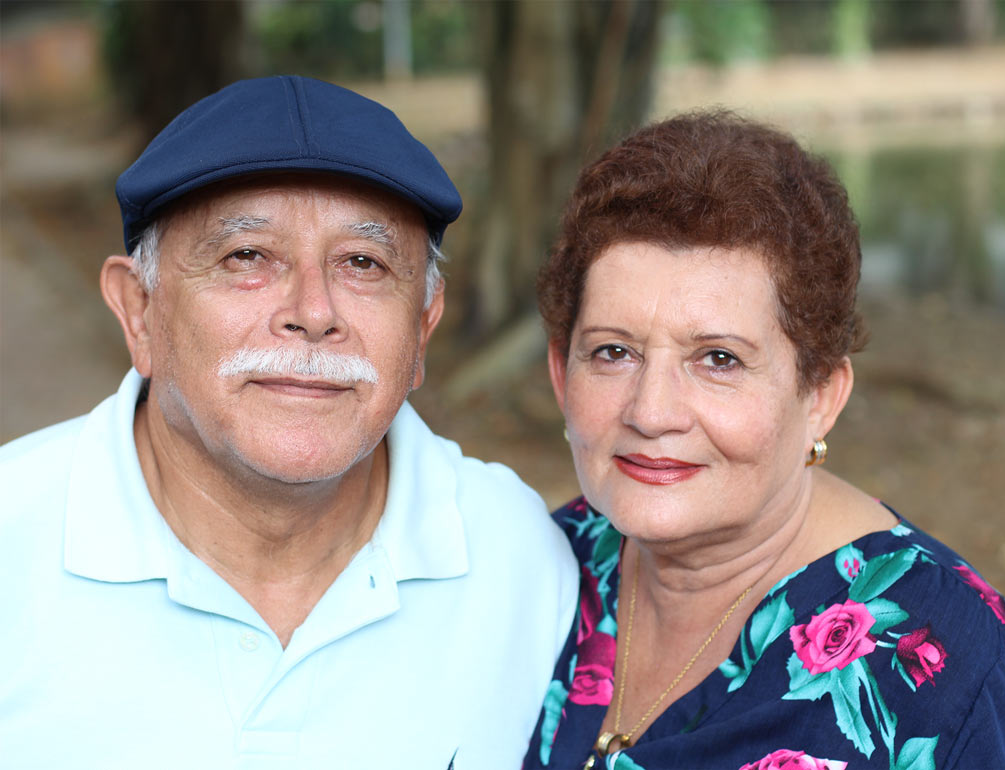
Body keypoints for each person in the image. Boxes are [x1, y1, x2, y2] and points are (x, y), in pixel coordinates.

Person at [0, 76, 577, 768]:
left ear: (422, 330)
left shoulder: (519, 561)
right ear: (139, 311)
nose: (312, 310)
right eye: (246, 256)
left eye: (363, 263)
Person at [522, 111, 1005, 770]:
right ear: (562, 375)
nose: (651, 411)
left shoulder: (953, 675)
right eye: (613, 352)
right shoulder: (534, 570)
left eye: (719, 360)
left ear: (820, 397)